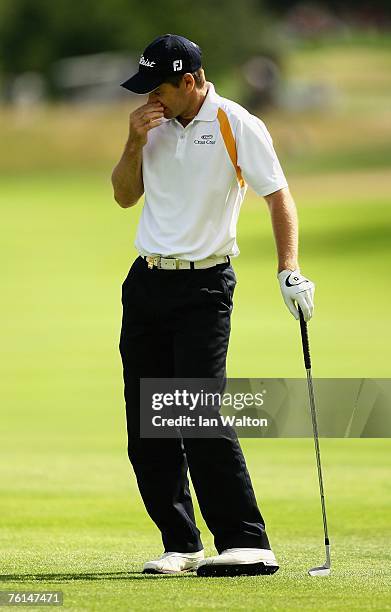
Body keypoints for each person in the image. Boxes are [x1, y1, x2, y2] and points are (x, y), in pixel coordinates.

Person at [111, 34, 315, 577]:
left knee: (196, 411)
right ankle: (181, 543)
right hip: (148, 282)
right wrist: (133, 143)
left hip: (204, 287)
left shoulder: (235, 122)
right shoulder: (148, 127)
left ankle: (247, 541)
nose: (149, 97)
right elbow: (124, 196)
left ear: (189, 80)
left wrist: (287, 268)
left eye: (158, 86)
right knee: (145, 425)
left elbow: (278, 196)